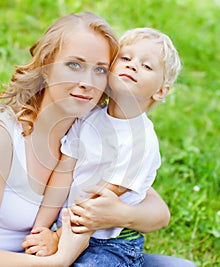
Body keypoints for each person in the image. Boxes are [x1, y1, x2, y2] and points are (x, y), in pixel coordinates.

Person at [0, 11, 119, 267]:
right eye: (74, 65)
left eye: (100, 70)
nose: (87, 83)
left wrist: (124, 214)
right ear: (45, 67)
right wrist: (59, 260)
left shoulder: (88, 136)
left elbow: (156, 210)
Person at [22, 28, 195, 267]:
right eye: (125, 58)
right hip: (67, 226)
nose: (133, 66)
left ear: (161, 91)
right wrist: (40, 229)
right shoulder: (88, 118)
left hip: (110, 245)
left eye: (146, 66)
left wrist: (57, 238)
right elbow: (63, 174)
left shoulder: (141, 142)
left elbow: (97, 203)